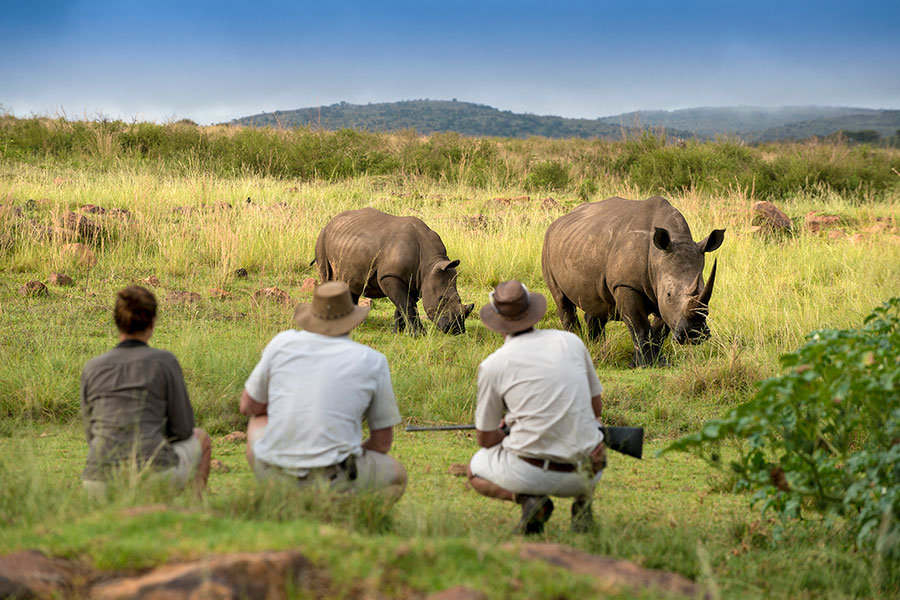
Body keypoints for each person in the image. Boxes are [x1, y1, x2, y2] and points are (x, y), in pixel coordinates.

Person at [239, 281, 407, 501]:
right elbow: (382, 443)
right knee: (397, 475)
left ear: (313, 315)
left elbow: (248, 405)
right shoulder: (373, 360)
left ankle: (277, 495)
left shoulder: (281, 342)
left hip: (272, 469)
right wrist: (347, 452)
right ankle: (356, 516)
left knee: (258, 418)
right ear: (351, 321)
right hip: (334, 476)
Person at [467, 280, 606, 534]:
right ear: (532, 310)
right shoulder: (570, 341)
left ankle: (529, 501)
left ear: (497, 321)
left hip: (530, 473)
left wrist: (503, 430)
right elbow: (595, 409)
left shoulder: (494, 364)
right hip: (587, 473)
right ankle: (583, 503)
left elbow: (485, 440)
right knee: (592, 432)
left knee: (474, 470)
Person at [81, 286, 211, 494]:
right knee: (201, 438)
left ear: (116, 321)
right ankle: (191, 513)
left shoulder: (92, 368)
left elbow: (91, 434)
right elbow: (184, 429)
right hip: (153, 474)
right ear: (152, 322)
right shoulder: (165, 362)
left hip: (97, 481)